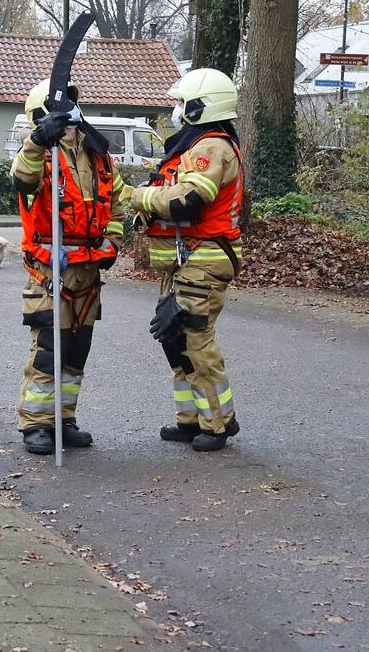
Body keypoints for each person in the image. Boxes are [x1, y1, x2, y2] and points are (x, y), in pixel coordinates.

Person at [125, 68, 243, 452]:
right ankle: (192, 419)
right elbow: (173, 193)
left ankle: (218, 424)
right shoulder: (195, 146)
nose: (175, 109)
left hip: (203, 260)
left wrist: (137, 197)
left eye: (180, 103)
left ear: (199, 107)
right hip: (185, 261)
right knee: (175, 339)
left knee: (195, 341)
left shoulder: (212, 148)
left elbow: (188, 199)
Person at [10, 79, 126, 455]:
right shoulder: (39, 154)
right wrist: (38, 141)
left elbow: (117, 203)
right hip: (51, 270)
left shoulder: (97, 154)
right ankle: (37, 424)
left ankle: (64, 418)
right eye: (62, 103)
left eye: (73, 102)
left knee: (77, 349)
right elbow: (22, 180)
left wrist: (113, 241)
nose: (71, 109)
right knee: (48, 349)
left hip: (88, 269)